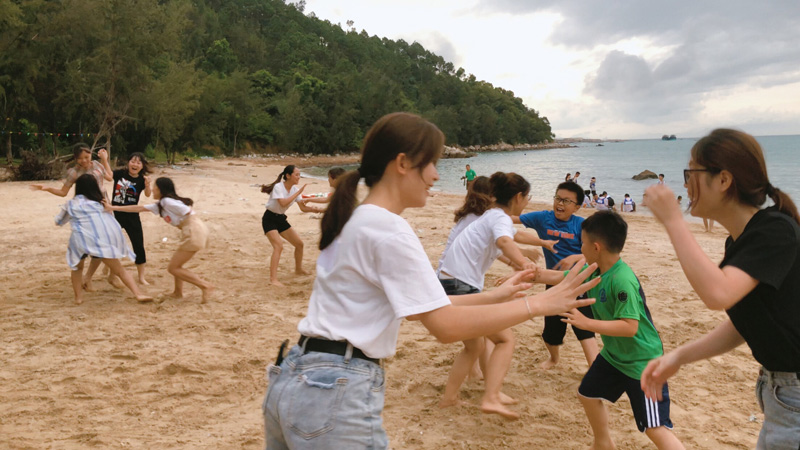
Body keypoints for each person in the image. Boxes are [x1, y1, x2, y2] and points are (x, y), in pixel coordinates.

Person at [262, 112, 601, 449]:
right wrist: (539, 304)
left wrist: (497, 295)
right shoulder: (389, 229)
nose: (437, 176)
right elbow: (445, 327)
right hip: (335, 388)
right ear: (403, 163)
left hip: (296, 377)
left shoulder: (359, 219)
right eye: (432, 164)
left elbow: (422, 309)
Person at [641, 129, 800, 449]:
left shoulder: (776, 231)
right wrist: (679, 356)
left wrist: (673, 221)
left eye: (691, 173)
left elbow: (718, 294)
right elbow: (747, 323)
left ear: (724, 179)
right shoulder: (742, 239)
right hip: (780, 391)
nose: (685, 183)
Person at [536, 211, 684, 449]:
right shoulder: (595, 269)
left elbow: (630, 327)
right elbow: (563, 277)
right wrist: (533, 275)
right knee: (587, 394)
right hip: (615, 357)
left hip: (642, 364)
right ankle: (603, 443)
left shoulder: (622, 279)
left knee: (655, 428)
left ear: (596, 247)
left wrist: (587, 324)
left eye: (581, 242)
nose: (579, 247)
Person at [438, 172, 557, 419]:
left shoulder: (492, 216)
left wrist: (538, 245)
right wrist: (524, 263)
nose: (527, 201)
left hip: (452, 282)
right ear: (518, 197)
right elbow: (504, 241)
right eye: (527, 197)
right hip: (461, 284)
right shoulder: (498, 218)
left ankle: (450, 398)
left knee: (475, 346)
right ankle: (491, 396)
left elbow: (512, 237)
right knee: (504, 339)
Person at [513, 181, 599, 370]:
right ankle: (553, 359)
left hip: (578, 282)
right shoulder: (543, 218)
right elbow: (512, 219)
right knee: (551, 332)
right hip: (553, 282)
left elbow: (597, 253)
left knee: (584, 329)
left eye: (567, 201)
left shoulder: (582, 225)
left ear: (577, 207)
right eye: (558, 198)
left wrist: (576, 258)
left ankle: (595, 369)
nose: (560, 204)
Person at [105, 177, 214, 303]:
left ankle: (205, 286)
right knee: (177, 265)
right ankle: (178, 292)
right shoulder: (161, 204)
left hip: (193, 230)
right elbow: (138, 208)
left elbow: (188, 212)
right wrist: (113, 208)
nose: (152, 190)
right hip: (192, 230)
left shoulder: (166, 202)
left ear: (160, 189)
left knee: (173, 268)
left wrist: (187, 224)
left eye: (154, 188)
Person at [56, 174, 152, 305]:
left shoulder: (71, 204)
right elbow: (108, 220)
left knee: (77, 269)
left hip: (79, 240)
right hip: (99, 240)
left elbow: (59, 221)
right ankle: (138, 294)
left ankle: (78, 298)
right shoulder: (100, 203)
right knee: (120, 270)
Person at [32, 144, 114, 290]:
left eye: (86, 157)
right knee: (89, 245)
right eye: (80, 158)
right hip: (85, 212)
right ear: (76, 159)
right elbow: (63, 192)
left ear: (91, 155)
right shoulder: (73, 172)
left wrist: (105, 160)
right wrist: (48, 188)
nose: (84, 161)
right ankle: (86, 277)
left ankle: (88, 277)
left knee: (104, 244)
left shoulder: (97, 165)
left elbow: (109, 177)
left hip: (103, 207)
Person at [260, 165, 324, 286]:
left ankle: (298, 269)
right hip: (269, 219)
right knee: (278, 246)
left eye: (299, 175)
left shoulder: (294, 189)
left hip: (281, 219)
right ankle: (273, 279)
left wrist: (316, 210)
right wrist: (298, 193)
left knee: (299, 244)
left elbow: (303, 208)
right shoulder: (279, 187)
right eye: (296, 175)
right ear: (288, 176)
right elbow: (283, 202)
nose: (299, 177)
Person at [110, 152, 152, 285]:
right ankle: (111, 272)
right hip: (115, 214)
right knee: (112, 244)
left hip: (132, 215)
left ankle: (141, 277)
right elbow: (108, 176)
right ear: (128, 162)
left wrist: (147, 184)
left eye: (138, 162)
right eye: (133, 161)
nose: (135, 164)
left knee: (138, 245)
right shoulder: (119, 174)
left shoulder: (141, 179)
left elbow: (148, 194)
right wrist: (105, 160)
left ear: (142, 166)